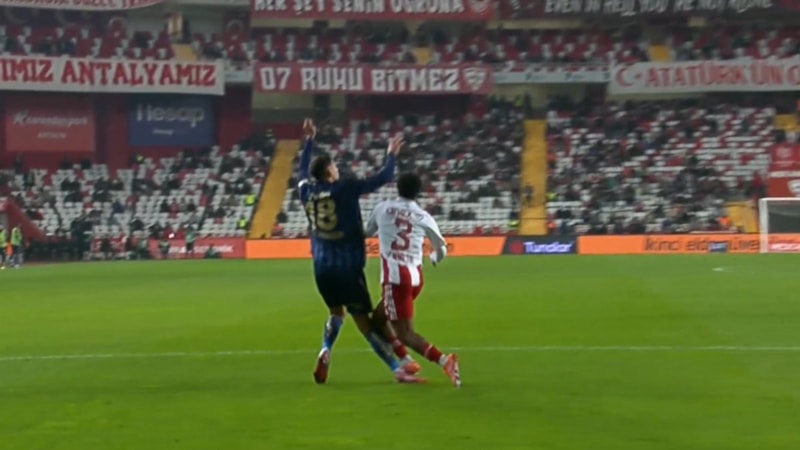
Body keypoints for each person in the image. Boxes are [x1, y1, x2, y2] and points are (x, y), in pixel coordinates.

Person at [297, 118, 421, 384]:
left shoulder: (306, 191)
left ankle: (326, 348)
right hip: (348, 267)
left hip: (321, 266)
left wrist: (309, 141)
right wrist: (391, 155)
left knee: (336, 313)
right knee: (364, 323)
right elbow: (384, 178)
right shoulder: (345, 188)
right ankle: (397, 369)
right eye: (333, 166)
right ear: (329, 172)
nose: (337, 168)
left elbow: (300, 172)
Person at [366, 173, 461, 387]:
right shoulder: (423, 216)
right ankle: (406, 361)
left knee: (405, 333)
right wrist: (434, 258)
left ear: (397, 188)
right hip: (416, 279)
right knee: (378, 318)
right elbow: (441, 248)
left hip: (395, 280)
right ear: (418, 192)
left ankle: (444, 361)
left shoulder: (383, 208)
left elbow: (367, 231)